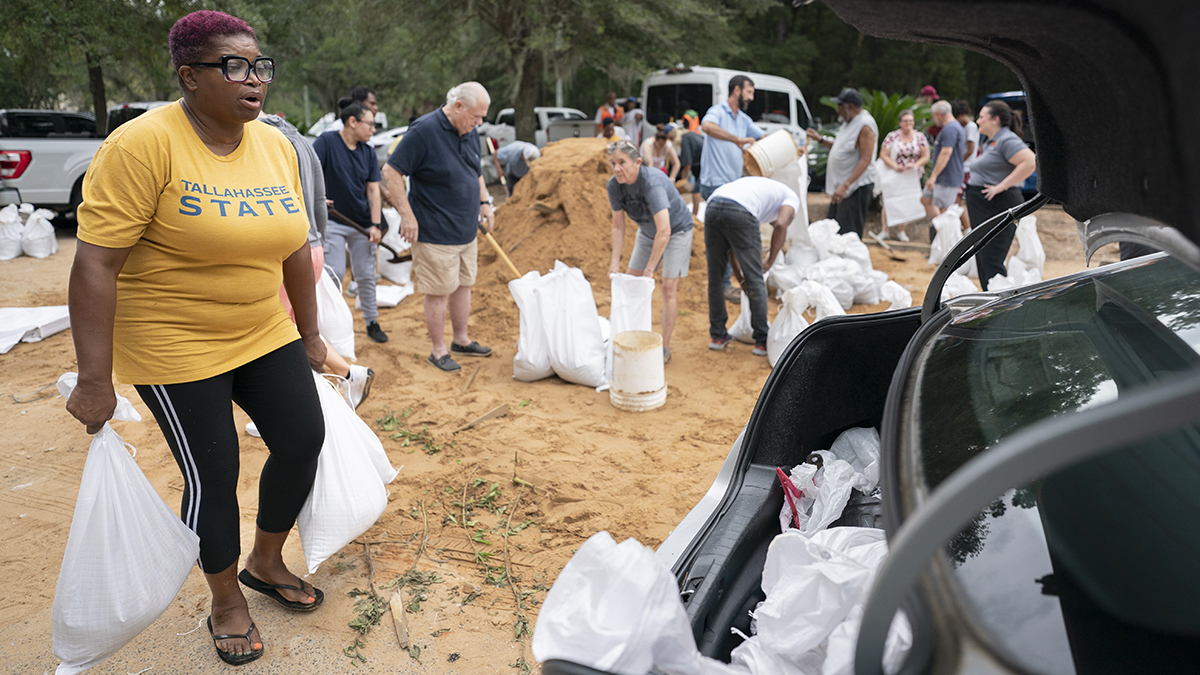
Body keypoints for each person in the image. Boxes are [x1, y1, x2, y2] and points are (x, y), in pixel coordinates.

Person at [65, 11, 325, 666]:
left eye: (260, 65)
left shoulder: (274, 146)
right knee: (214, 471)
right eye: (234, 66)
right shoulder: (142, 146)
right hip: (173, 337)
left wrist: (312, 332)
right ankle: (225, 601)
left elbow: (294, 245)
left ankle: (265, 561)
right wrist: (95, 378)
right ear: (189, 75)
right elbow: (95, 263)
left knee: (303, 438)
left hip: (261, 326)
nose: (254, 79)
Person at [257, 112, 374, 411]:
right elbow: (320, 201)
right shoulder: (302, 140)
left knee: (277, 334)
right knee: (298, 327)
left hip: (287, 252)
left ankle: (291, 405)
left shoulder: (260, 140)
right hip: (312, 248)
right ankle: (350, 374)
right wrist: (318, 240)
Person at [383, 82, 494, 372]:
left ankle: (461, 339)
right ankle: (438, 350)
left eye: (482, 117)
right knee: (439, 291)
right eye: (476, 116)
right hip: (435, 231)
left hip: (466, 229)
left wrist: (485, 202)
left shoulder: (469, 130)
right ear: (458, 106)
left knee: (464, 285)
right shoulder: (423, 131)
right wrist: (407, 216)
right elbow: (391, 171)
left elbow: (475, 170)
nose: (479, 123)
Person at [606, 140, 694, 364]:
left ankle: (663, 346)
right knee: (631, 281)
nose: (616, 168)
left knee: (667, 287)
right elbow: (618, 226)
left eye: (622, 163)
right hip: (647, 232)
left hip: (676, 231)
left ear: (637, 162)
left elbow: (665, 231)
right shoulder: (614, 186)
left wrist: (650, 269)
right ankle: (629, 336)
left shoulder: (652, 183)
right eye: (613, 163)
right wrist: (614, 263)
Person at [312, 101, 388, 343]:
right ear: (352, 122)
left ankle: (372, 322)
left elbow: (373, 191)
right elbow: (310, 171)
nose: (373, 130)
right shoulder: (326, 142)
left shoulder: (368, 151)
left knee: (366, 274)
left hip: (362, 224)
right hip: (333, 220)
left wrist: (375, 224)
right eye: (370, 124)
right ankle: (334, 328)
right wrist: (318, 199)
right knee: (333, 274)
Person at [704, 177, 798, 356]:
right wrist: (769, 262)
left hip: (713, 206)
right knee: (756, 278)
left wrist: (740, 279)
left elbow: (731, 250)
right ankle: (762, 340)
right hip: (739, 209)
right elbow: (780, 224)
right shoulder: (792, 198)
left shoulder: (764, 193)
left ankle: (717, 336)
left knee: (715, 278)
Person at [966, 100, 1037, 289]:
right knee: (983, 256)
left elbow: (1030, 162)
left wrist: (1001, 186)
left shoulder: (1007, 139)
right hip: (984, 204)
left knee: (991, 258)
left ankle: (1000, 308)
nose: (978, 121)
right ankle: (989, 301)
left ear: (995, 119)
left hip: (997, 204)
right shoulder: (993, 141)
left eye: (982, 117)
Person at [806, 88, 877, 237]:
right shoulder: (849, 123)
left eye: (840, 106)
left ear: (849, 106)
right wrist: (820, 139)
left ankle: (850, 260)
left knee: (848, 232)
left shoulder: (865, 125)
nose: (837, 110)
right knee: (835, 228)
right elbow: (841, 148)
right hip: (844, 187)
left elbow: (866, 159)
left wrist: (846, 185)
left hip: (855, 187)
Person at [699, 75, 762, 200]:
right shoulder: (718, 111)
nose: (751, 98)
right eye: (749, 92)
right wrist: (737, 140)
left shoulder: (743, 119)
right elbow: (707, 126)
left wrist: (792, 148)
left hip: (734, 183)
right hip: (715, 184)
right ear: (737, 90)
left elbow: (764, 137)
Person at [877, 109, 929, 241]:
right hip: (893, 173)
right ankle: (885, 230)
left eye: (910, 121)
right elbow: (883, 154)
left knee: (906, 201)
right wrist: (895, 166)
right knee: (888, 200)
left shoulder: (920, 137)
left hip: (911, 175)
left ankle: (901, 231)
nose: (908, 123)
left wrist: (916, 165)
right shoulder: (892, 136)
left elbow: (926, 155)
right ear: (900, 123)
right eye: (905, 121)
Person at [921, 100, 965, 222]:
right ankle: (940, 227)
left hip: (947, 177)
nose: (933, 119)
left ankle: (944, 232)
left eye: (933, 116)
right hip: (944, 176)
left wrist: (933, 176)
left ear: (938, 114)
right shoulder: (951, 127)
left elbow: (946, 153)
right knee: (926, 199)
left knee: (945, 209)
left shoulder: (950, 129)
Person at [953, 99, 980, 231]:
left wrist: (957, 162)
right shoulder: (966, 127)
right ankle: (965, 229)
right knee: (956, 202)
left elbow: (970, 149)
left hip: (966, 168)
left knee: (957, 202)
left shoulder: (970, 127)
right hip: (963, 168)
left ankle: (968, 229)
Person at [679, 127, 705, 216]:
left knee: (696, 191)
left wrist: (683, 179)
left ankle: (694, 215)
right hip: (704, 162)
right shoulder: (694, 135)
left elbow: (687, 163)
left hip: (701, 165)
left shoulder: (686, 138)